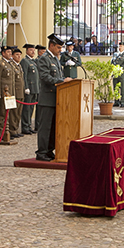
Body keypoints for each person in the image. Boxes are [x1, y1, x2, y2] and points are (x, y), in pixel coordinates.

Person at [35, 33, 72, 161]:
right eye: (58, 47)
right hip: (47, 99)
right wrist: (62, 81)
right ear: (51, 45)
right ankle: (41, 152)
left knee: (53, 128)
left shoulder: (55, 59)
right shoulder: (44, 58)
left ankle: (49, 150)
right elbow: (45, 77)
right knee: (45, 127)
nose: (60, 50)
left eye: (61, 48)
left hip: (57, 98)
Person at [20, 43, 39, 135]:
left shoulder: (33, 61)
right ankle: (25, 126)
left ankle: (28, 125)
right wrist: (26, 87)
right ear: (27, 51)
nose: (33, 52)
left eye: (33, 50)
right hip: (29, 88)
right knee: (26, 109)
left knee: (31, 108)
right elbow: (24, 75)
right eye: (31, 50)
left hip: (35, 88)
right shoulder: (25, 61)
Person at [10, 47, 25, 138]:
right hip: (15, 92)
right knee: (13, 113)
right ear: (12, 56)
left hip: (20, 92)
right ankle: (12, 130)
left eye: (20, 55)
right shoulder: (12, 65)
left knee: (18, 112)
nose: (19, 56)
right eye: (16, 55)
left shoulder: (19, 65)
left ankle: (15, 128)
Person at [111, 41, 124, 107]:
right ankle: (116, 101)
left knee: (122, 88)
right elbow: (112, 62)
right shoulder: (115, 54)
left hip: (122, 74)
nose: (120, 47)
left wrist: (118, 70)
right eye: (119, 46)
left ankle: (122, 102)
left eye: (121, 46)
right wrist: (114, 69)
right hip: (115, 74)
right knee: (115, 87)